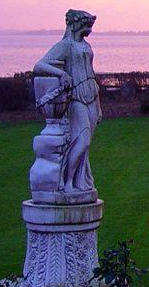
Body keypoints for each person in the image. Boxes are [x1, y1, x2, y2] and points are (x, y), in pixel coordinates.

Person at [34, 10, 101, 194]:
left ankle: (80, 182)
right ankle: (68, 181)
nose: (89, 30)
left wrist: (98, 106)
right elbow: (40, 65)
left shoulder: (86, 46)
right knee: (82, 141)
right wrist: (61, 73)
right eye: (87, 25)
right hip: (77, 97)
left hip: (91, 97)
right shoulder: (65, 45)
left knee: (86, 146)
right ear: (75, 24)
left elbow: (92, 74)